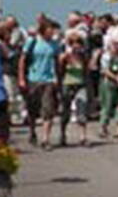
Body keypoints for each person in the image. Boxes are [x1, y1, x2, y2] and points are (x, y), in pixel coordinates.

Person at [20, 18, 61, 147]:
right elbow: (23, 60)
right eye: (49, 30)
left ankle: (46, 139)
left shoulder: (55, 45)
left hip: (48, 80)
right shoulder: (32, 42)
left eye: (53, 30)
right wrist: (22, 78)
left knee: (48, 109)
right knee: (33, 109)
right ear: (43, 30)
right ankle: (32, 131)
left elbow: (57, 62)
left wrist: (57, 78)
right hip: (33, 79)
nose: (52, 33)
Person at [59, 29, 91, 147]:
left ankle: (83, 136)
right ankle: (63, 134)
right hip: (67, 84)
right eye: (73, 42)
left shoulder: (83, 57)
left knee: (82, 109)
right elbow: (60, 71)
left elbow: (86, 72)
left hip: (80, 84)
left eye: (78, 42)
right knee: (65, 111)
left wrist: (88, 86)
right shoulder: (65, 57)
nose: (76, 45)